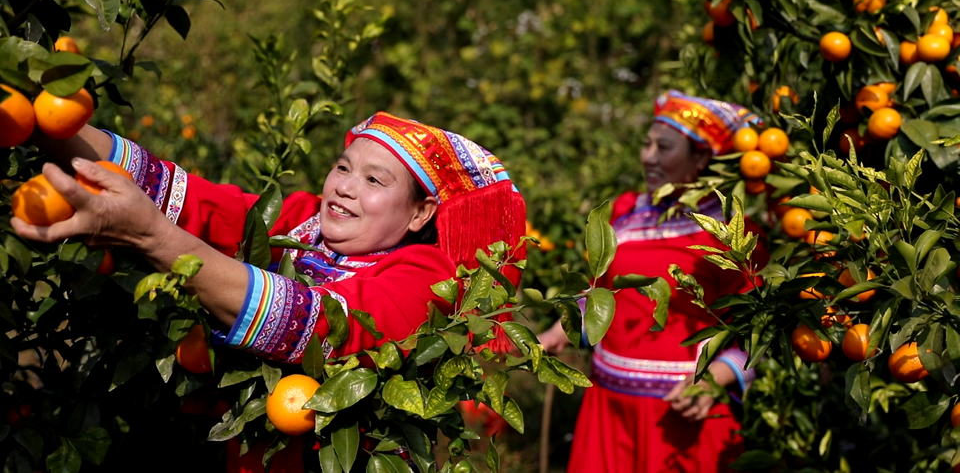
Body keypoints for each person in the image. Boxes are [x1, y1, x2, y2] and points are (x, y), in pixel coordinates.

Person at [13, 111, 526, 362]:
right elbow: (190, 199)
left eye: (374, 181)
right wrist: (39, 120)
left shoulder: (425, 281)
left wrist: (151, 237)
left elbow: (318, 326)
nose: (344, 188)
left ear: (421, 213)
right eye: (343, 167)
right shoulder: (301, 219)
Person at [539, 90, 769, 473]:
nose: (648, 157)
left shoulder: (734, 236)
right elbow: (604, 294)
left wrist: (716, 378)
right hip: (610, 409)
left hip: (685, 417)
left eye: (664, 148)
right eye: (646, 144)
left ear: (701, 157)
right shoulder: (625, 212)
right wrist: (561, 328)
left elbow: (758, 331)